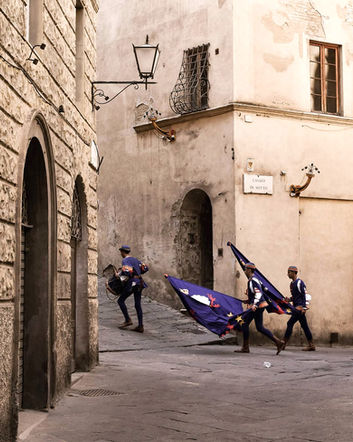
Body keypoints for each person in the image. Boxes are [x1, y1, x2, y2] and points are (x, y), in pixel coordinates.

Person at [235, 262, 283, 354]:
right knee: (260, 327)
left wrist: (255, 304)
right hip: (259, 306)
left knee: (244, 324)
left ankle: (245, 347)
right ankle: (278, 342)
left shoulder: (253, 280)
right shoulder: (253, 280)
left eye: (245, 269)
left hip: (257, 306)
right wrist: (249, 300)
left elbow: (259, 293)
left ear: (249, 270)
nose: (244, 271)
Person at [281, 266, 315, 351]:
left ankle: (283, 344)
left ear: (294, 273)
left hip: (299, 309)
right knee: (304, 326)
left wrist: (304, 307)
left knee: (289, 323)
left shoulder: (300, 283)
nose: (288, 274)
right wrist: (289, 299)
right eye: (288, 272)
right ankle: (311, 345)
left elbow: (305, 295)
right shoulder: (292, 284)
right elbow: (296, 296)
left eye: (289, 272)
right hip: (296, 308)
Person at [116, 245, 148, 333]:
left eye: (121, 252)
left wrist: (118, 274)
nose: (120, 254)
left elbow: (127, 272)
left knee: (120, 301)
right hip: (139, 283)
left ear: (122, 252)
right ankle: (140, 326)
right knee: (138, 304)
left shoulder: (125, 260)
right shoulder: (135, 259)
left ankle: (127, 320)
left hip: (132, 283)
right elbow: (145, 268)